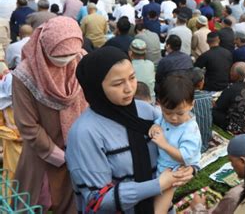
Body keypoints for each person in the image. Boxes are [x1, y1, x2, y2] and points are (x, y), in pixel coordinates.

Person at [68, 47, 194, 213]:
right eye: (118, 83)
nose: (129, 88)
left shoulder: (147, 112)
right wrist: (159, 184)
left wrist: (189, 169)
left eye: (132, 78)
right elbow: (97, 200)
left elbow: (181, 144)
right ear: (96, 87)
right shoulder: (84, 133)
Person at [13, 17, 88, 212]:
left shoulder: (80, 60)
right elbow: (28, 126)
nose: (65, 64)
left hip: (79, 150)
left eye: (70, 56)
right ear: (45, 49)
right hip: (42, 153)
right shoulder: (25, 75)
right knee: (36, 202)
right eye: (59, 58)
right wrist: (61, 156)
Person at [149, 74, 202, 214]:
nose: (173, 118)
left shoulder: (190, 130)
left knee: (159, 209)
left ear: (192, 105)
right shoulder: (165, 116)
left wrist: (164, 145)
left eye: (179, 113)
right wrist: (155, 127)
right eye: (167, 112)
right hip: (162, 166)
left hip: (175, 171)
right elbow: (159, 122)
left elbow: (185, 157)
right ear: (159, 104)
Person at [191, 134, 245, 213]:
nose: (231, 165)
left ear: (242, 161)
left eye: (231, 161)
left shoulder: (236, 195)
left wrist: (197, 207)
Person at [213, 62, 245, 135]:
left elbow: (219, 106)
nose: (230, 73)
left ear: (236, 75)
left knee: (213, 112)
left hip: (241, 128)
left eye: (231, 71)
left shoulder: (231, 89)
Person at [189, 67, 213, 152]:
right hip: (205, 141)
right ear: (200, 83)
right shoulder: (208, 97)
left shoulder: (183, 100)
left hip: (191, 144)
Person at [129, 39, 156, 103]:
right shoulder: (150, 64)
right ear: (145, 53)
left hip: (134, 102)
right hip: (151, 101)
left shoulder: (128, 67)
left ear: (130, 53)